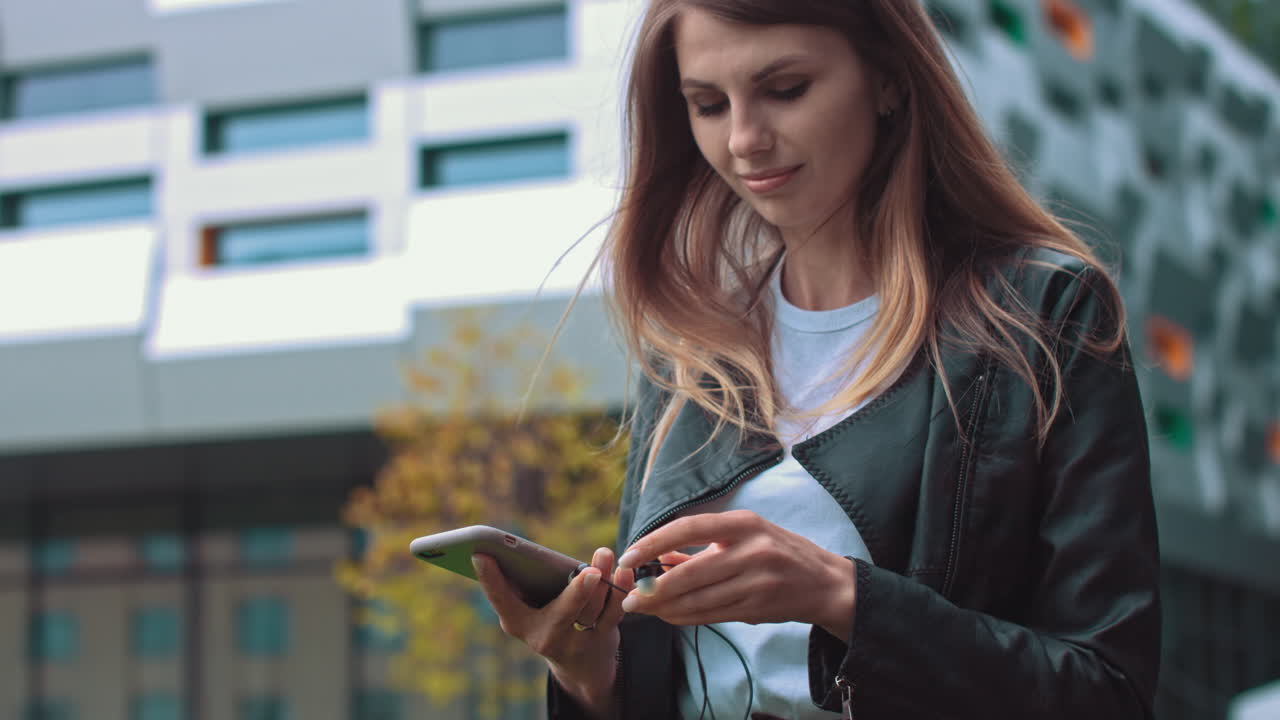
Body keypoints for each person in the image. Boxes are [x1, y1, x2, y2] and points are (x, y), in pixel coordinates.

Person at [472, 1, 1162, 718]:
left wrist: (840, 597)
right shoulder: (690, 351)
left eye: (786, 90)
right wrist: (591, 675)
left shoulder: (1043, 313)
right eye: (708, 104)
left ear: (889, 79)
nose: (743, 139)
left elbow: (1105, 691)